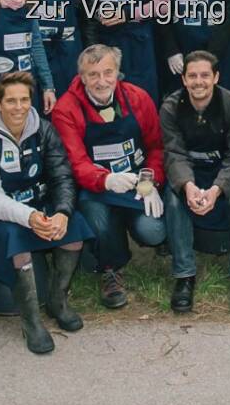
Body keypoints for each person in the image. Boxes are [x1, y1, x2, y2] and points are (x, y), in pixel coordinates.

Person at [0, 72, 93, 353]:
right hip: (1, 213)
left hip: (40, 205)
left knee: (74, 231)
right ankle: (32, 321)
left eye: (24, 100)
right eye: (11, 101)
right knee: (16, 242)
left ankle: (57, 301)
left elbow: (62, 175)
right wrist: (29, 218)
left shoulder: (44, 129)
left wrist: (61, 212)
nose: (19, 107)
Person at [51, 44, 168, 309]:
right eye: (93, 74)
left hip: (137, 184)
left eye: (108, 72)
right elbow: (76, 162)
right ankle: (111, 269)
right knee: (99, 221)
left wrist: (151, 180)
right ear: (82, 77)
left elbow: (156, 146)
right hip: (96, 187)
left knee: (153, 232)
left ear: (117, 72)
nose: (101, 81)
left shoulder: (138, 98)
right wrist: (105, 179)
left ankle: (144, 231)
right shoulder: (66, 109)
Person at [160, 52, 230, 314]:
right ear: (183, 79)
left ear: (216, 77)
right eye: (192, 76)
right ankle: (183, 275)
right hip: (189, 172)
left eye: (205, 75)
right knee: (172, 195)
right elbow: (174, 154)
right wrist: (187, 186)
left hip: (225, 172)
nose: (198, 81)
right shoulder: (170, 106)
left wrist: (217, 189)